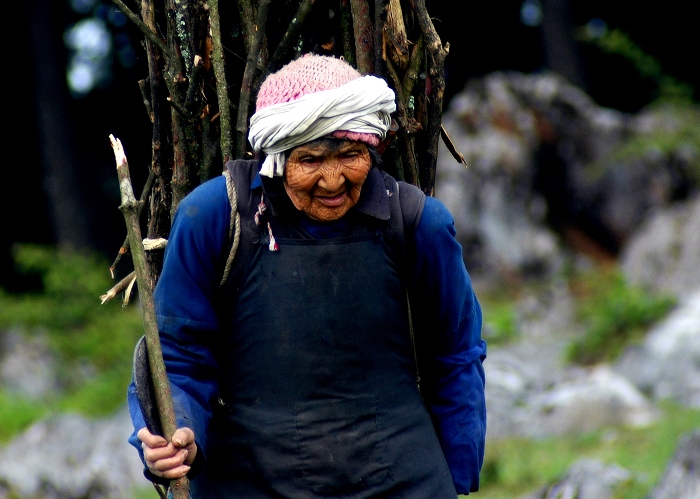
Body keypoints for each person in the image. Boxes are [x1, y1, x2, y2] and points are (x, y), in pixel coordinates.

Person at [127, 53, 487, 497]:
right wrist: (178, 435)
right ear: (276, 156)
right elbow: (178, 354)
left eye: (351, 155)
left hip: (400, 478)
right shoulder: (213, 217)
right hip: (249, 479)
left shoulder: (418, 224)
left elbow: (455, 354)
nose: (333, 181)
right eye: (311, 160)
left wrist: (457, 474)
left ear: (372, 149)